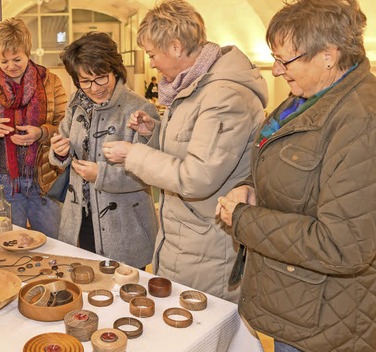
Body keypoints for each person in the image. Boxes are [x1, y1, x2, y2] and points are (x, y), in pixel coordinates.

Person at [216, 0, 376, 352]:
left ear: (328, 56)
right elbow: (295, 174)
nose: (274, 71)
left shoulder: (362, 120)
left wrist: (243, 219)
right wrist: (251, 186)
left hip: (322, 323)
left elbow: (342, 245)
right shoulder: (309, 100)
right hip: (297, 304)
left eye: (284, 60)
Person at [102, 0, 268, 302]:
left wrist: (132, 155)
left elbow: (196, 177)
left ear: (176, 47)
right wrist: (154, 131)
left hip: (207, 245)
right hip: (185, 238)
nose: (151, 63)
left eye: (152, 54)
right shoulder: (195, 86)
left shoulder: (225, 96)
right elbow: (190, 148)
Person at [49, 32, 159, 269]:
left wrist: (101, 174)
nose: (93, 88)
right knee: (87, 284)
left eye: (100, 78)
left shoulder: (140, 108)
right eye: (84, 81)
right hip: (81, 216)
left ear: (115, 70)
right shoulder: (76, 103)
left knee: (124, 295)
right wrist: (59, 152)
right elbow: (63, 143)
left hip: (124, 225)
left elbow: (149, 173)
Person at [0, 18, 66, 239]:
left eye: (17, 59)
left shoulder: (51, 82)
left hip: (45, 182)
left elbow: (67, 127)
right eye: (3, 61)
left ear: (28, 52)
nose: (11, 66)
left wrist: (42, 133)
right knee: (8, 246)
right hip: (4, 186)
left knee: (55, 246)